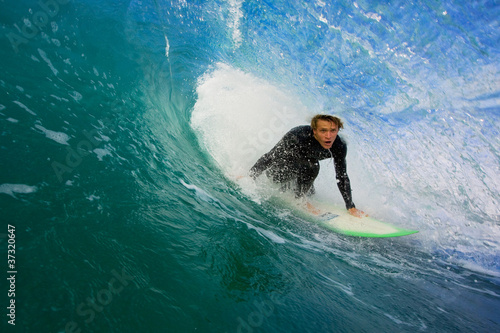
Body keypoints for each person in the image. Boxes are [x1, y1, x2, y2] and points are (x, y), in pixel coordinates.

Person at [249, 114, 366, 217]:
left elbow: (341, 176)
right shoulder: (298, 136)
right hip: (279, 171)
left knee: (311, 192)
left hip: (301, 170)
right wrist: (250, 177)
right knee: (313, 166)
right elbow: (270, 157)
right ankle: (300, 201)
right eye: (323, 131)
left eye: (333, 130)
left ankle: (299, 196)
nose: (328, 136)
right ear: (314, 130)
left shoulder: (339, 146)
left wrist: (350, 206)